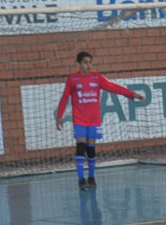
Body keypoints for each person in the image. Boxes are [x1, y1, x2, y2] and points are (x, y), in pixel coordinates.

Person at [55, 51, 148, 189]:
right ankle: (81, 179)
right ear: (79, 64)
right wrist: (59, 116)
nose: (88, 65)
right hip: (79, 118)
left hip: (93, 119)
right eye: (85, 62)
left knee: (91, 148)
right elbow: (64, 97)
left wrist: (132, 95)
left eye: (90, 62)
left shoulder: (97, 78)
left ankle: (91, 177)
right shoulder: (72, 79)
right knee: (81, 146)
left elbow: (114, 87)